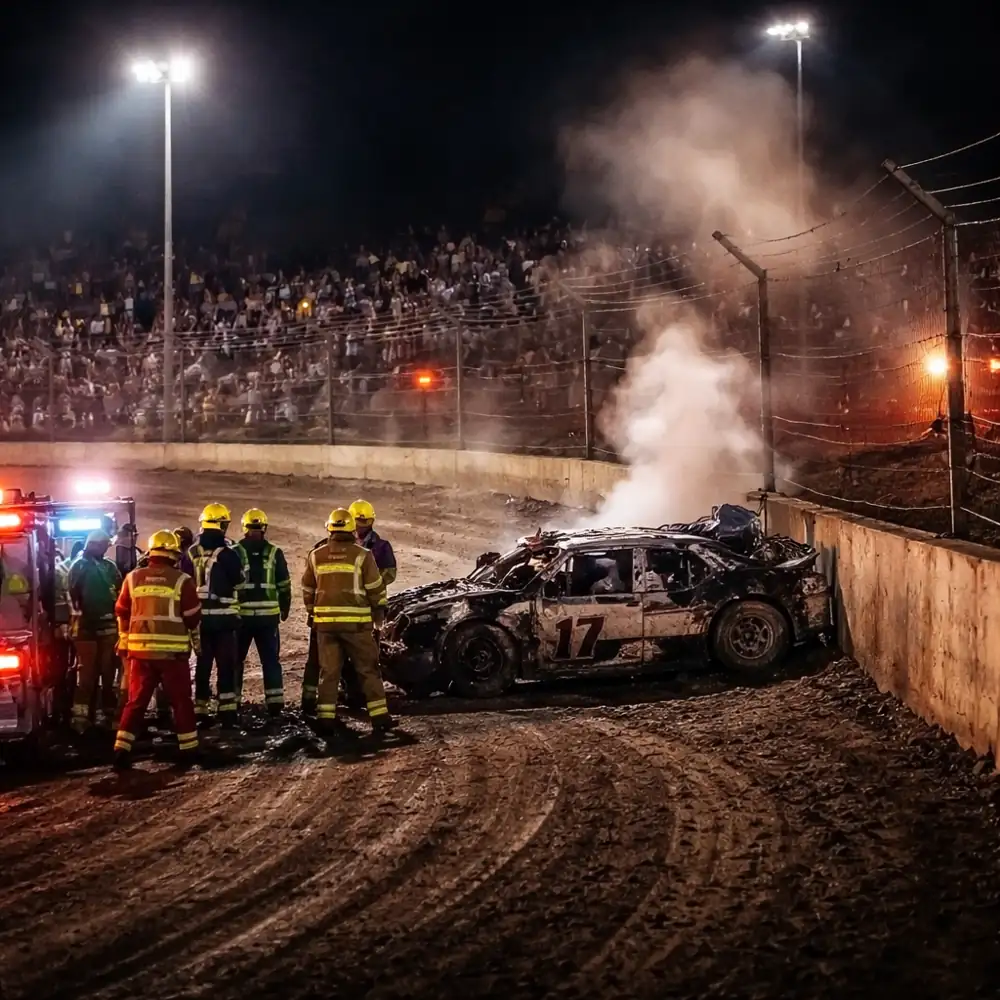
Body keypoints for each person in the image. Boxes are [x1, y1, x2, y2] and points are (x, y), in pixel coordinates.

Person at [301, 508, 396, 738]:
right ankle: (380, 718)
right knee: (368, 670)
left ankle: (325, 719)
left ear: (329, 529)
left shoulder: (316, 555)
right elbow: (375, 589)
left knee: (329, 672)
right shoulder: (363, 555)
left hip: (325, 627)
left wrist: (314, 612)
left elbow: (307, 589)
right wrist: (378, 616)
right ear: (353, 529)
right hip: (356, 626)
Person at [112, 530, 201, 771]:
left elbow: (121, 610)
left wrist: (125, 639)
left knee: (136, 702)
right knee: (181, 701)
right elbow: (192, 618)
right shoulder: (182, 580)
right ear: (174, 554)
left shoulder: (132, 578)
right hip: (172, 655)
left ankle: (121, 749)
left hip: (140, 653)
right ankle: (189, 748)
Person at [188, 503, 244, 728]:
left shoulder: (190, 553)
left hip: (199, 620)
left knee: (203, 664)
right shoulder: (228, 554)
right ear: (222, 525)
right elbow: (239, 580)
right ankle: (227, 713)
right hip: (224, 620)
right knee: (226, 666)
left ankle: (200, 710)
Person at [234, 508, 291, 717]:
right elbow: (284, 584)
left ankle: (233, 703)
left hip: (242, 617)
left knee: (235, 661)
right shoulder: (275, 553)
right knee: (270, 661)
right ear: (264, 528)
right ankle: (275, 703)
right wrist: (284, 608)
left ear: (245, 527)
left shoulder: (235, 551)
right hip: (268, 618)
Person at [68, 530, 123, 733]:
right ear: (95, 544)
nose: (106, 548)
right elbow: (73, 595)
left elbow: (119, 591)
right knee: (88, 675)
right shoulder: (79, 566)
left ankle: (104, 714)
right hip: (86, 628)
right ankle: (82, 717)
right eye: (104, 545)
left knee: (107, 672)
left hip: (107, 627)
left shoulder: (109, 566)